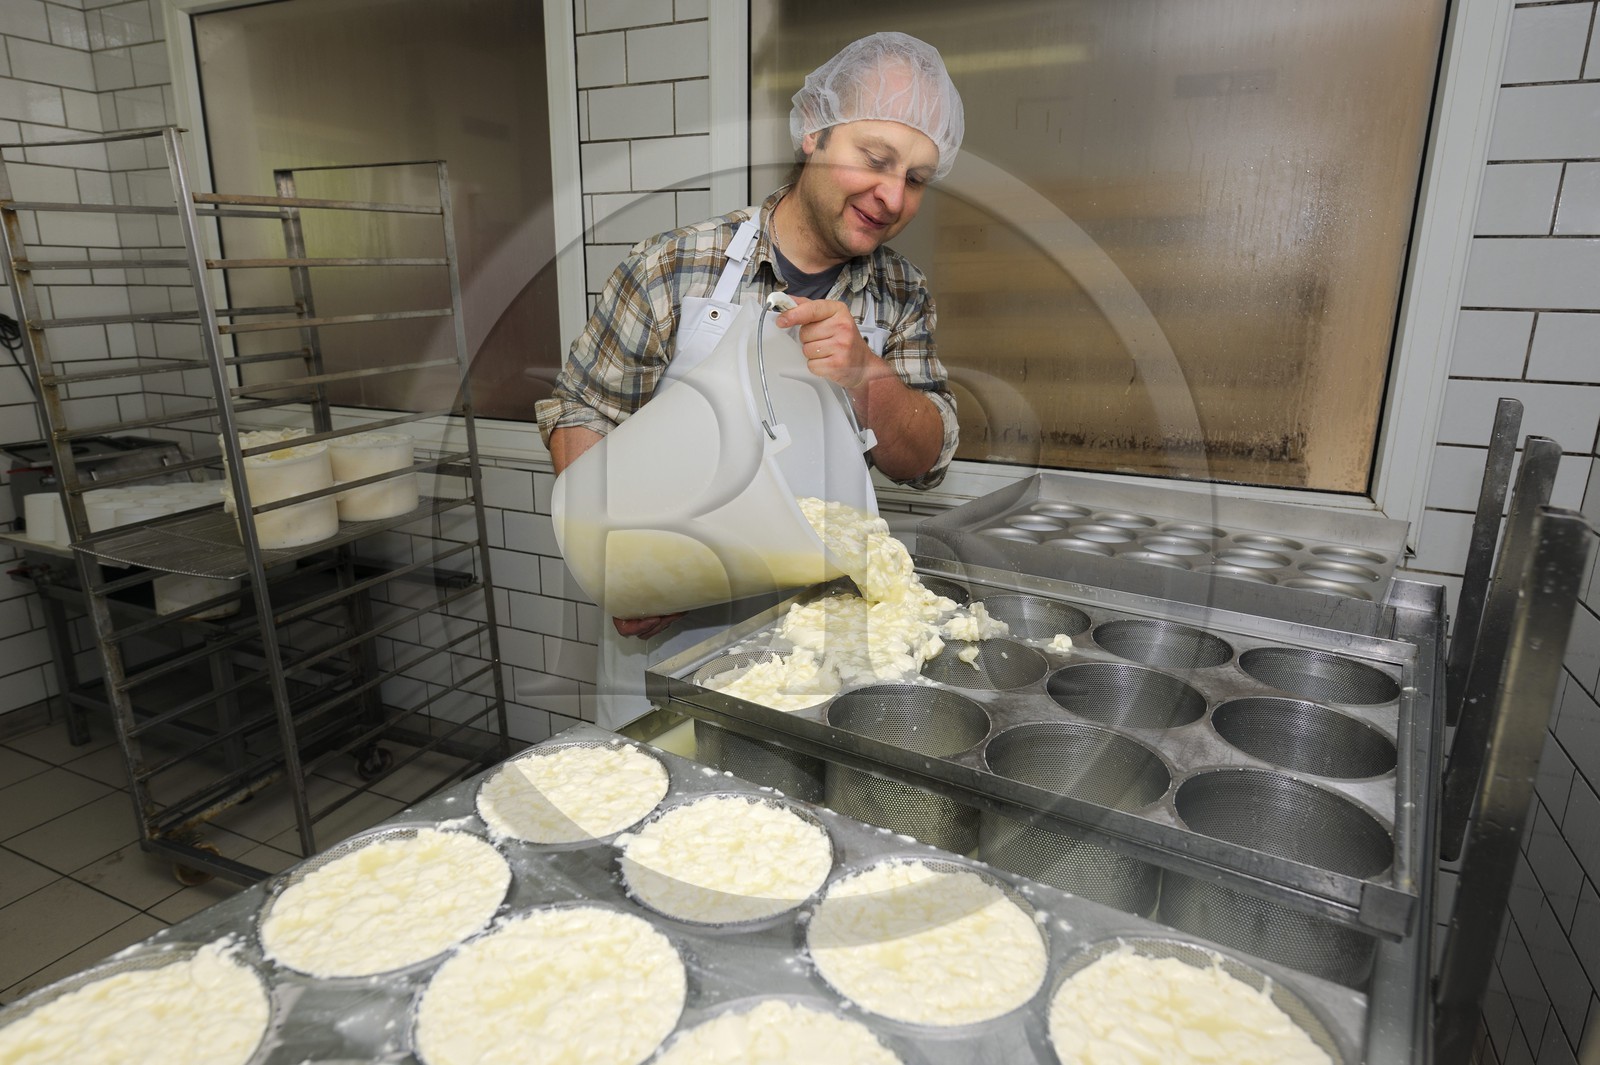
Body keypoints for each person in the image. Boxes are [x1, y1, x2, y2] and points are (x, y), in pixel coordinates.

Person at [535, 31, 964, 730]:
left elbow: (926, 457)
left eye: (915, 179)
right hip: (671, 644)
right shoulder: (677, 265)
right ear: (814, 133)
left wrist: (865, 373)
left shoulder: (901, 296)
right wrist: (619, 562)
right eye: (876, 159)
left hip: (819, 652)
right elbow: (583, 409)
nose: (891, 196)